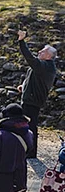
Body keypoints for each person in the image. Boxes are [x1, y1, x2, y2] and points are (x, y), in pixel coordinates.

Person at [17, 30, 58, 159]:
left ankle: (30, 152)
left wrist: (21, 41)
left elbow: (30, 58)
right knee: (28, 124)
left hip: (33, 101)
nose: (39, 52)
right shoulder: (43, 65)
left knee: (30, 125)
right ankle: (28, 150)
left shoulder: (47, 66)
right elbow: (32, 75)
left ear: (49, 56)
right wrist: (23, 86)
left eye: (43, 51)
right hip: (30, 98)